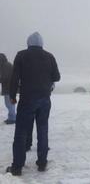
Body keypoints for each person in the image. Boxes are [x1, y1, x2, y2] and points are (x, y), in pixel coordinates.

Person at [6, 32, 61, 176]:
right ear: (41, 44)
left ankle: (17, 167)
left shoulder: (21, 55)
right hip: (44, 100)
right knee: (43, 131)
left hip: (27, 99)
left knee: (21, 132)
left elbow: (14, 78)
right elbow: (57, 77)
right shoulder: (49, 56)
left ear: (28, 43)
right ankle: (42, 163)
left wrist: (12, 96)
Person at [0, 53, 16, 124]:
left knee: (9, 104)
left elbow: (4, 77)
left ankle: (12, 119)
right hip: (11, 88)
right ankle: (12, 117)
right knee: (10, 103)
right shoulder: (7, 64)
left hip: (9, 88)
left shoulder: (5, 66)